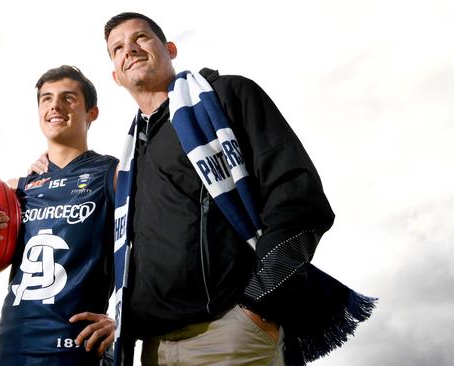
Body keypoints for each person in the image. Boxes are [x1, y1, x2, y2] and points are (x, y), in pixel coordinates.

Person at [102, 12, 376, 366]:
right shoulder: (131, 159)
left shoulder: (225, 96)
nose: (130, 49)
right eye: (118, 48)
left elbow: (297, 197)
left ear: (169, 48)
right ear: (115, 75)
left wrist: (260, 304)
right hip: (154, 349)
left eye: (141, 37)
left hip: (230, 336)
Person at [0, 65, 118, 366]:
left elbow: (147, 250)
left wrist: (124, 319)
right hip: (13, 347)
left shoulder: (113, 173)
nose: (55, 106)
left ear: (92, 112)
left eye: (68, 98)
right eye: (46, 98)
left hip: (77, 348)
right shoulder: (15, 191)